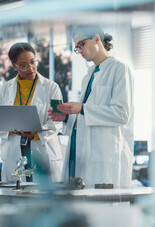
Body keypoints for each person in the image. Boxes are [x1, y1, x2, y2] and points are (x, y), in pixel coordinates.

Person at [48, 25, 135, 189]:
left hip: (105, 156)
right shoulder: (89, 75)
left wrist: (81, 109)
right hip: (80, 154)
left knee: (103, 210)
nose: (79, 50)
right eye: (76, 48)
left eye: (81, 44)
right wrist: (67, 117)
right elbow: (86, 116)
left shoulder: (120, 70)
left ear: (96, 38)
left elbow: (122, 114)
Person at [0, 42, 63, 183]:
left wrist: (35, 135)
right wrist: (11, 130)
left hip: (43, 152)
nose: (30, 68)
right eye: (23, 65)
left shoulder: (52, 88)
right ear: (14, 65)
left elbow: (57, 120)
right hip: (13, 155)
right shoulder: (4, 90)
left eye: (33, 62)